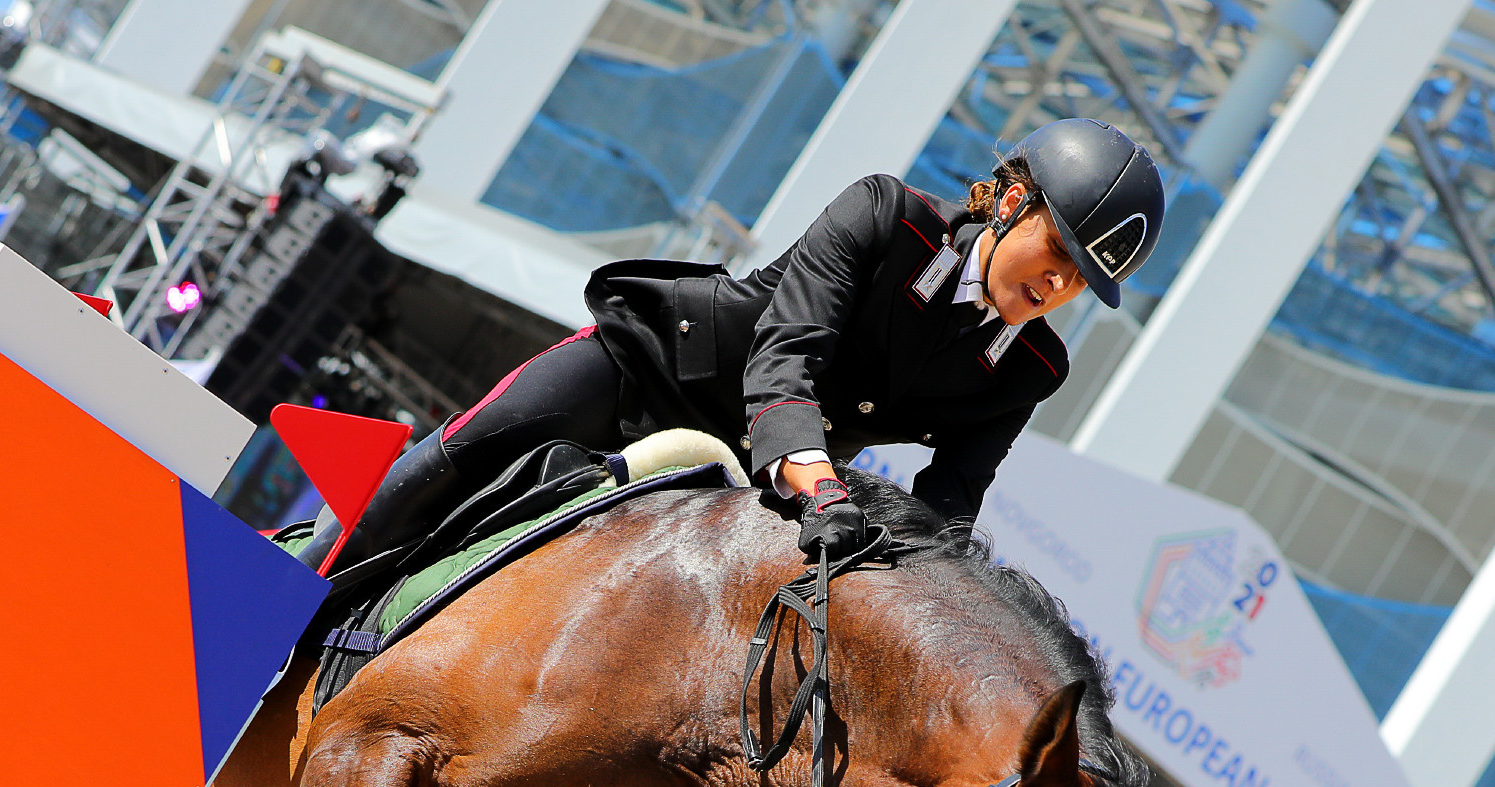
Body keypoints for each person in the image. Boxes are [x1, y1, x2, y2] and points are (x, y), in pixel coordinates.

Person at [299, 116, 1166, 574]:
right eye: (1059, 253)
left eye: (1081, 282)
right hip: (655, 373)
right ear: (1010, 205)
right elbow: (785, 356)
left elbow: (950, 503)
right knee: (457, 455)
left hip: (763, 485)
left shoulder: (1036, 369)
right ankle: (286, 599)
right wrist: (820, 481)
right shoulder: (884, 213)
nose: (1058, 288)